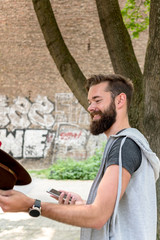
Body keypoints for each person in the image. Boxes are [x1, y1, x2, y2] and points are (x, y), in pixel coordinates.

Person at [0, 74, 159, 240]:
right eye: (90, 102)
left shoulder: (124, 145)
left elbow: (98, 217)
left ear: (120, 101)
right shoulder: (127, 143)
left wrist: (32, 205)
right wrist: (84, 205)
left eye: (97, 100)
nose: (90, 107)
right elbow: (114, 212)